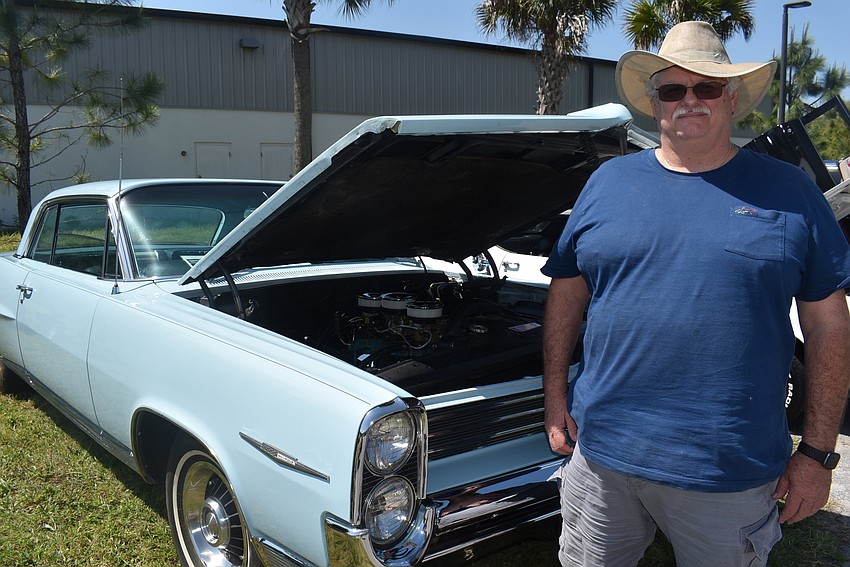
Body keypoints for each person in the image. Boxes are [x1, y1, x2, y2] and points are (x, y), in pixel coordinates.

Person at [542, 20, 850, 567]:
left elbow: (829, 326)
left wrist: (818, 454)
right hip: (602, 460)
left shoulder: (791, 193)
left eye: (706, 87)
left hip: (727, 474)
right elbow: (567, 291)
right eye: (672, 89)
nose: (690, 100)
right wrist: (555, 394)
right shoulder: (607, 183)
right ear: (655, 103)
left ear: (732, 98)